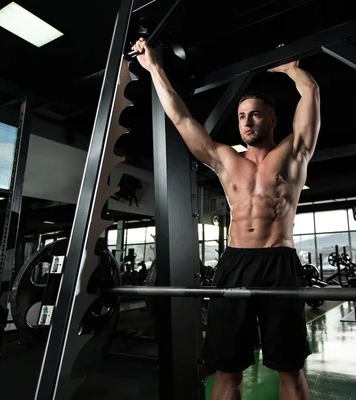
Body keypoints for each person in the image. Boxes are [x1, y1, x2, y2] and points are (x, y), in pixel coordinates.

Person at [132, 38, 320, 400]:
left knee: (291, 372)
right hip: (235, 263)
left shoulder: (294, 151)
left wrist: (291, 68)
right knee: (226, 370)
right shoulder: (224, 158)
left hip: (279, 262)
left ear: (272, 119)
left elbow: (310, 91)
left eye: (255, 114)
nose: (247, 122)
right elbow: (181, 117)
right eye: (241, 116)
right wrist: (154, 68)